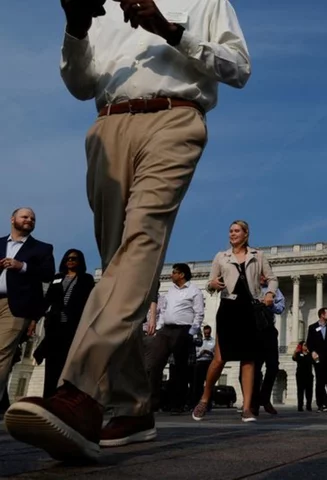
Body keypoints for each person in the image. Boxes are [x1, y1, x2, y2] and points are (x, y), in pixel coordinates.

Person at [4, 0, 252, 461]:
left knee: (139, 248)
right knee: (120, 268)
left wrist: (171, 30)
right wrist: (76, 28)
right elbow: (81, 85)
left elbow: (238, 67)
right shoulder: (105, 5)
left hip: (174, 117)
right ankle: (135, 407)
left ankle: (79, 391)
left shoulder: (206, 0)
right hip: (107, 126)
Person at [192, 221, 277, 423]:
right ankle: (204, 398)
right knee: (219, 358)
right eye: (230, 231)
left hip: (250, 309)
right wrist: (212, 284)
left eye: (236, 231)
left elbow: (272, 278)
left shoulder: (258, 255)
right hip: (229, 308)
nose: (232, 234)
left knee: (248, 360)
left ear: (246, 234)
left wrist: (270, 293)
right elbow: (210, 283)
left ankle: (247, 408)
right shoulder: (221, 256)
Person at [0, 208, 55, 408]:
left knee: (2, 352)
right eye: (25, 217)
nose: (29, 220)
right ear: (12, 219)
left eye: (32, 218)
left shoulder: (42, 248)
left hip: (15, 306)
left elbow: (48, 274)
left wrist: (21, 266)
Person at [34, 249, 95, 399]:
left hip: (73, 326)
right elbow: (48, 299)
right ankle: (48, 397)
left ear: (80, 261)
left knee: (68, 362)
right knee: (52, 363)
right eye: (68, 258)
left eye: (74, 258)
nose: (70, 261)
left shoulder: (86, 279)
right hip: (55, 325)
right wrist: (35, 319)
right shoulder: (57, 278)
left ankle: (64, 397)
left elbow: (90, 302)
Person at [146, 263, 204, 414]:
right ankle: (153, 402)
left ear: (182, 275)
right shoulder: (170, 291)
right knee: (155, 364)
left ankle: (177, 404)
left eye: (174, 272)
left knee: (179, 368)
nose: (171, 275)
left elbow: (199, 313)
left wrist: (192, 331)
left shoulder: (194, 290)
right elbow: (164, 309)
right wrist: (159, 327)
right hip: (165, 330)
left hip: (183, 330)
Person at [250, 274, 285, 416]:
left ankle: (264, 398)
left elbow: (281, 308)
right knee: (255, 369)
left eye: (266, 275)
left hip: (269, 330)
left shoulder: (274, 290)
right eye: (261, 274)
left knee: (273, 367)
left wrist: (270, 304)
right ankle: (255, 403)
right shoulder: (250, 288)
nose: (264, 277)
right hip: (253, 331)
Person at [306, 307, 327, 413]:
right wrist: (312, 352)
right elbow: (309, 342)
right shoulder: (312, 327)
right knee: (320, 382)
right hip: (318, 358)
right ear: (322, 315)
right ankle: (321, 404)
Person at [292, 341, 314, 412]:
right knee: (300, 391)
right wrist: (295, 352)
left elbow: (316, 361)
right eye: (304, 345)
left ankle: (308, 406)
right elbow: (294, 358)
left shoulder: (310, 354)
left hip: (309, 375)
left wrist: (315, 356)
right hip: (300, 375)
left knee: (309, 391)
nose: (306, 346)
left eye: (307, 345)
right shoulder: (298, 353)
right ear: (301, 346)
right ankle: (300, 406)